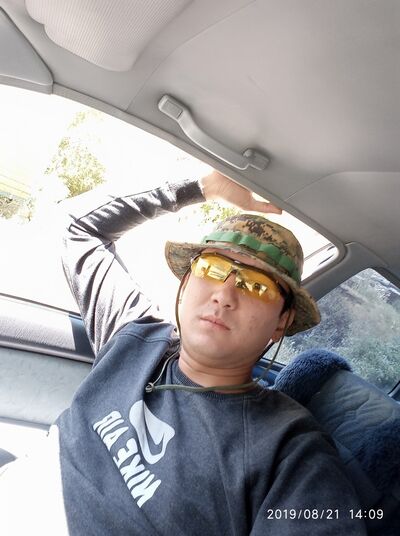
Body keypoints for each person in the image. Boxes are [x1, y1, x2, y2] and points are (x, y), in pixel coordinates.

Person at [0, 170, 366, 535]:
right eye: (212, 268)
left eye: (256, 286)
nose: (224, 295)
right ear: (187, 280)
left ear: (281, 322)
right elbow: (79, 231)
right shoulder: (135, 334)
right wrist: (201, 188)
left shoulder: (290, 450)